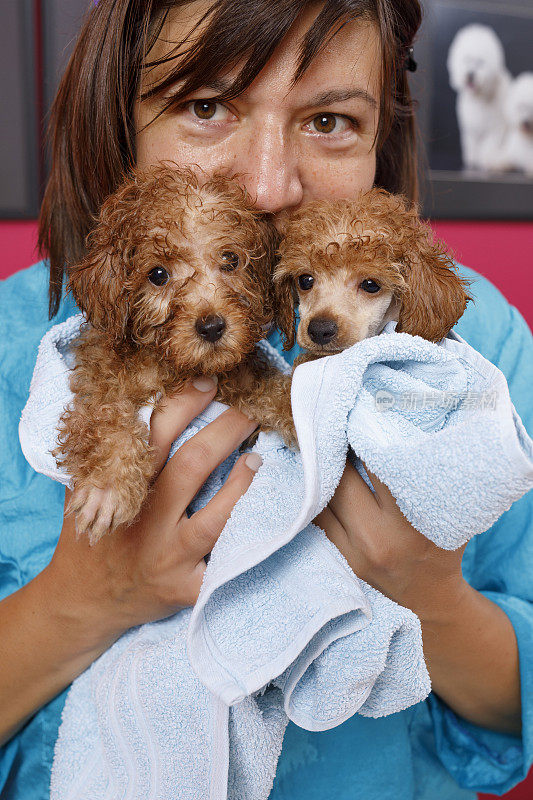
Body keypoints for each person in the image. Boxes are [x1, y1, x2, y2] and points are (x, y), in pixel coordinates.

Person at [0, 1, 531, 798]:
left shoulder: (471, 344)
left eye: (328, 120)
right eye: (206, 107)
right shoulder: (22, 348)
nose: (265, 184)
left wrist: (427, 593)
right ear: (118, 113)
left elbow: (509, 704)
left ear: (380, 133)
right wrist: (82, 602)